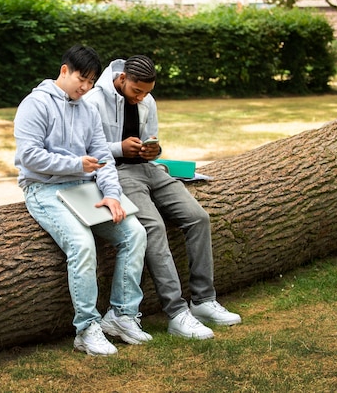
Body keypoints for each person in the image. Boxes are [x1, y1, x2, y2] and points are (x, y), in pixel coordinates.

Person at [84, 55, 241, 340]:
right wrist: (119, 148)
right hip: (117, 174)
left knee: (198, 218)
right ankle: (177, 313)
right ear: (121, 80)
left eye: (146, 92)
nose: (141, 97)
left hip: (149, 169)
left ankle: (204, 301)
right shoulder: (94, 100)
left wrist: (153, 151)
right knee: (153, 228)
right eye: (136, 91)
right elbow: (86, 148)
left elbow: (151, 138)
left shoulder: (147, 100)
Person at [13, 45, 152, 356]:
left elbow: (103, 157)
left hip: (85, 188)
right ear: (64, 71)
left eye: (91, 82)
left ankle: (121, 315)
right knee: (82, 243)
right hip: (43, 189)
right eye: (81, 79)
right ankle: (87, 329)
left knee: (135, 233)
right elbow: (30, 157)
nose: (86, 88)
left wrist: (113, 196)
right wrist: (76, 165)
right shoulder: (34, 105)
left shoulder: (87, 108)